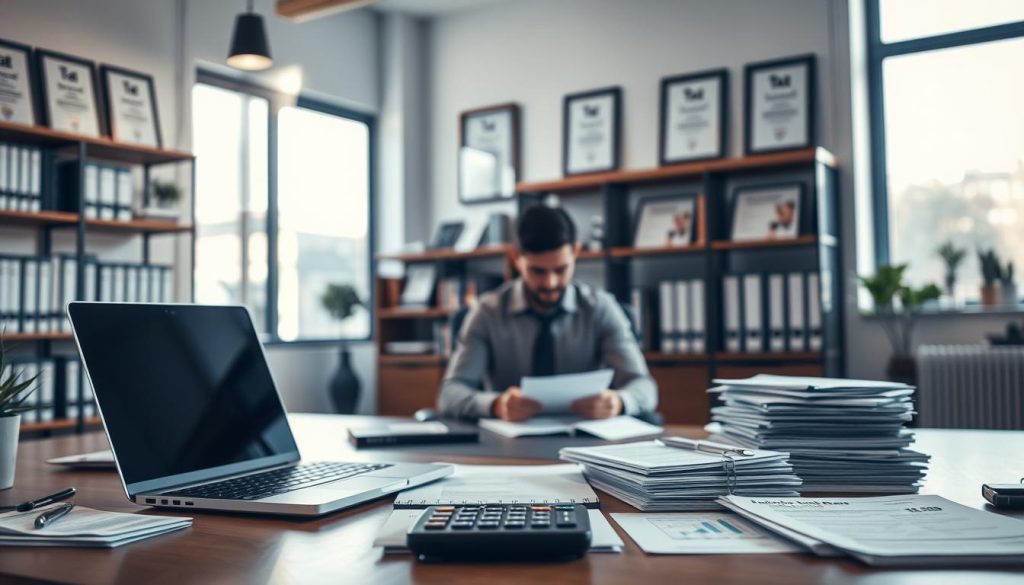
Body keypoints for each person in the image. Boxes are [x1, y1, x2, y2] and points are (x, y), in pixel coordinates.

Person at [437, 205, 658, 421]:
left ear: (576, 252)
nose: (550, 283)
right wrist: (495, 405)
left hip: (588, 441)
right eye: (537, 271)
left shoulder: (601, 308)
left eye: (561, 270)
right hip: (510, 444)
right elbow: (450, 394)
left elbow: (644, 387)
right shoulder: (487, 312)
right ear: (516, 258)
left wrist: (619, 401)